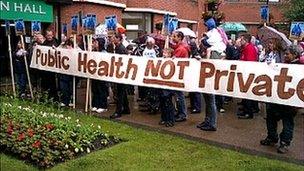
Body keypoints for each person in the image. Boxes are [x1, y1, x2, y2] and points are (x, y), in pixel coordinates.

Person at [260, 45, 301, 154]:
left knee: (287, 122)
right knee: (271, 118)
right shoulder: (284, 64)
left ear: (295, 55)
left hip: (290, 101)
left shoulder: (299, 67)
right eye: (285, 53)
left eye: (288, 54)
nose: (286, 55)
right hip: (278, 98)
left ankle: (285, 142)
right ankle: (272, 137)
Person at [237, 33, 259, 119]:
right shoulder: (246, 48)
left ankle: (248, 112)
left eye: (241, 40)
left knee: (248, 93)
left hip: (248, 74)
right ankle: (246, 109)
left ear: (245, 40)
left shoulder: (249, 48)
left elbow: (249, 62)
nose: (240, 41)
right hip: (245, 73)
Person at [109, 33, 130, 119]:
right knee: (122, 92)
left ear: (118, 39)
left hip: (121, 73)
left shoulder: (121, 49)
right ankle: (126, 108)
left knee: (120, 92)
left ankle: (118, 111)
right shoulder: (118, 47)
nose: (112, 39)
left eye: (114, 38)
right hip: (121, 73)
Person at [171, 31, 190, 122]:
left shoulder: (181, 49)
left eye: (174, 36)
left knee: (179, 95)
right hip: (179, 74)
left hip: (179, 74)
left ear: (179, 38)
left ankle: (182, 114)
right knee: (178, 95)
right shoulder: (180, 47)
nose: (172, 38)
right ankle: (180, 112)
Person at [91, 37, 109, 113]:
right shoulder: (93, 51)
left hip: (102, 75)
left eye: (96, 42)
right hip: (95, 74)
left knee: (101, 90)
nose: (94, 43)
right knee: (95, 89)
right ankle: (96, 104)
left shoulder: (104, 53)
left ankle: (103, 106)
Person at [41, 30, 59, 101]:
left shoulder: (56, 42)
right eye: (48, 35)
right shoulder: (44, 43)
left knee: (53, 83)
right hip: (46, 67)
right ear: (46, 36)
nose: (49, 37)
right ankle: (47, 96)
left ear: (53, 35)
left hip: (53, 67)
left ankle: (54, 97)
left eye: (50, 35)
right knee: (46, 82)